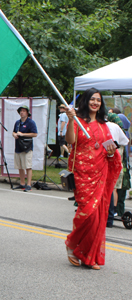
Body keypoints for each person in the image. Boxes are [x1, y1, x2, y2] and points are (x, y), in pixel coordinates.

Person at [64, 88, 121, 270]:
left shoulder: (105, 126)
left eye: (98, 100)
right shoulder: (78, 122)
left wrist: (112, 154)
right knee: (86, 214)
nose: (95, 103)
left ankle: (89, 257)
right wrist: (71, 119)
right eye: (92, 99)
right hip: (82, 174)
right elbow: (71, 141)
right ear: (86, 101)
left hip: (100, 173)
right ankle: (72, 245)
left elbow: (109, 151)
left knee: (98, 217)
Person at [12, 105, 38, 191]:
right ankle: (22, 183)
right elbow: (13, 132)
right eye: (21, 111)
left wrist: (23, 134)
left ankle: (29, 184)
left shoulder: (31, 122)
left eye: (23, 111)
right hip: (18, 146)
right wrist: (14, 134)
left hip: (27, 147)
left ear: (27, 113)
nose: (22, 112)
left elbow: (35, 134)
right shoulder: (17, 122)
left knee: (27, 166)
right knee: (20, 166)